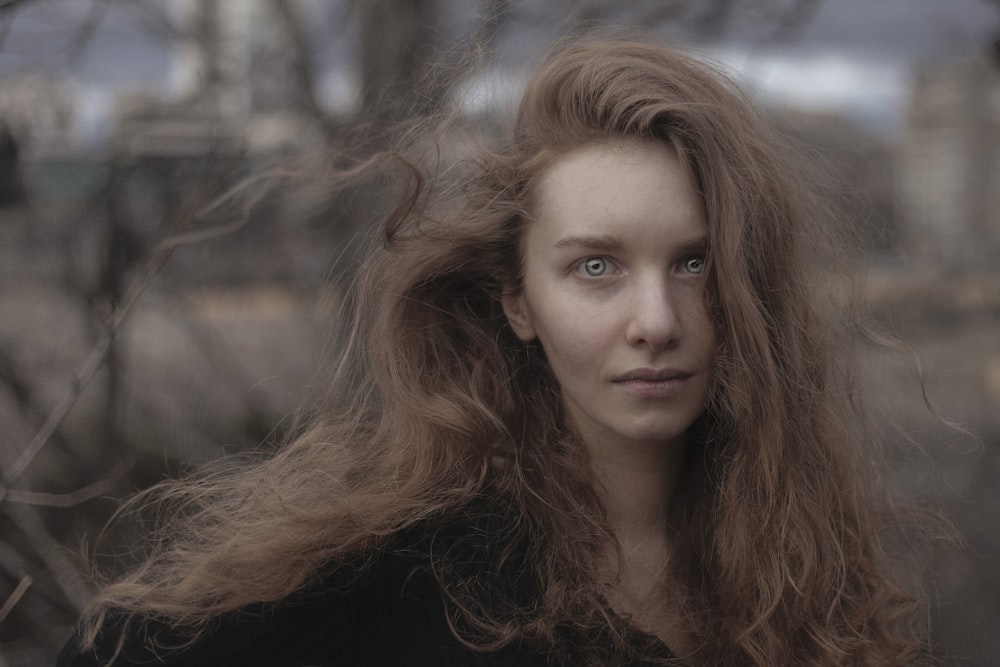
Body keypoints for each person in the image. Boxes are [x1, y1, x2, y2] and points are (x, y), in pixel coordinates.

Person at [58, 35, 930, 666]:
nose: (656, 319)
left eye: (695, 263)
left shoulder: (795, 560)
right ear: (518, 299)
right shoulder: (412, 572)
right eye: (597, 266)